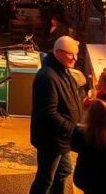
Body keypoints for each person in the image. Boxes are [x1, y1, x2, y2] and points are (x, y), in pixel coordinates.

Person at [28, 36, 84, 194]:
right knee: (45, 179)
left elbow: (70, 95)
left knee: (64, 171)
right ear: (58, 53)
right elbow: (48, 112)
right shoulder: (48, 77)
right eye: (71, 54)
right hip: (51, 139)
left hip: (62, 137)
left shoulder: (62, 70)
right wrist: (71, 128)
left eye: (76, 54)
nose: (75, 58)